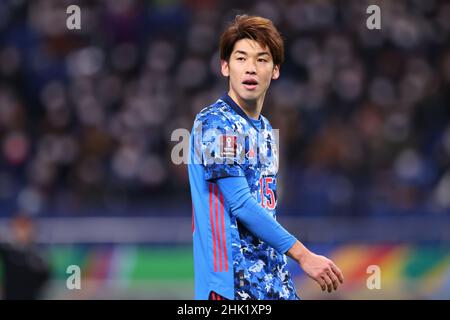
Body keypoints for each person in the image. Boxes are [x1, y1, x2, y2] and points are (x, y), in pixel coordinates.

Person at [188, 15, 344, 300]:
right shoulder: (215, 123)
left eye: (261, 60)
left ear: (275, 71)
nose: (251, 68)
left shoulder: (266, 130)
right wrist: (304, 255)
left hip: (273, 283)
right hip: (231, 287)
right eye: (241, 58)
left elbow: (265, 210)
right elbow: (240, 203)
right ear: (225, 67)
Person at [0, 213, 50, 300]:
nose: (21, 232)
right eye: (18, 228)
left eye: (25, 228)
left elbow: (44, 279)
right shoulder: (7, 251)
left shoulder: (38, 255)